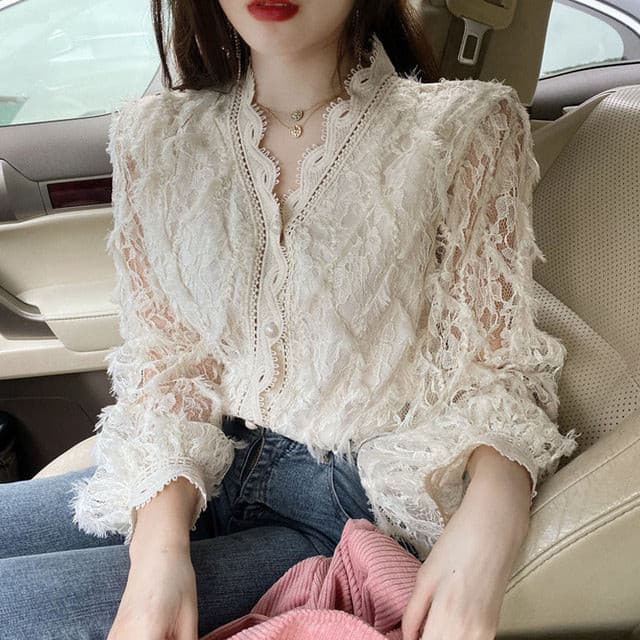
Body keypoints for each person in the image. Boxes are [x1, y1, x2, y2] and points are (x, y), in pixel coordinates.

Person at [0, 1, 580, 639]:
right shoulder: (154, 137)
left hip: (343, 507)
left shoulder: (465, 128)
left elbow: (497, 370)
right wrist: (157, 550)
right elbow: (168, 363)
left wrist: (492, 523)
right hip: (199, 467)